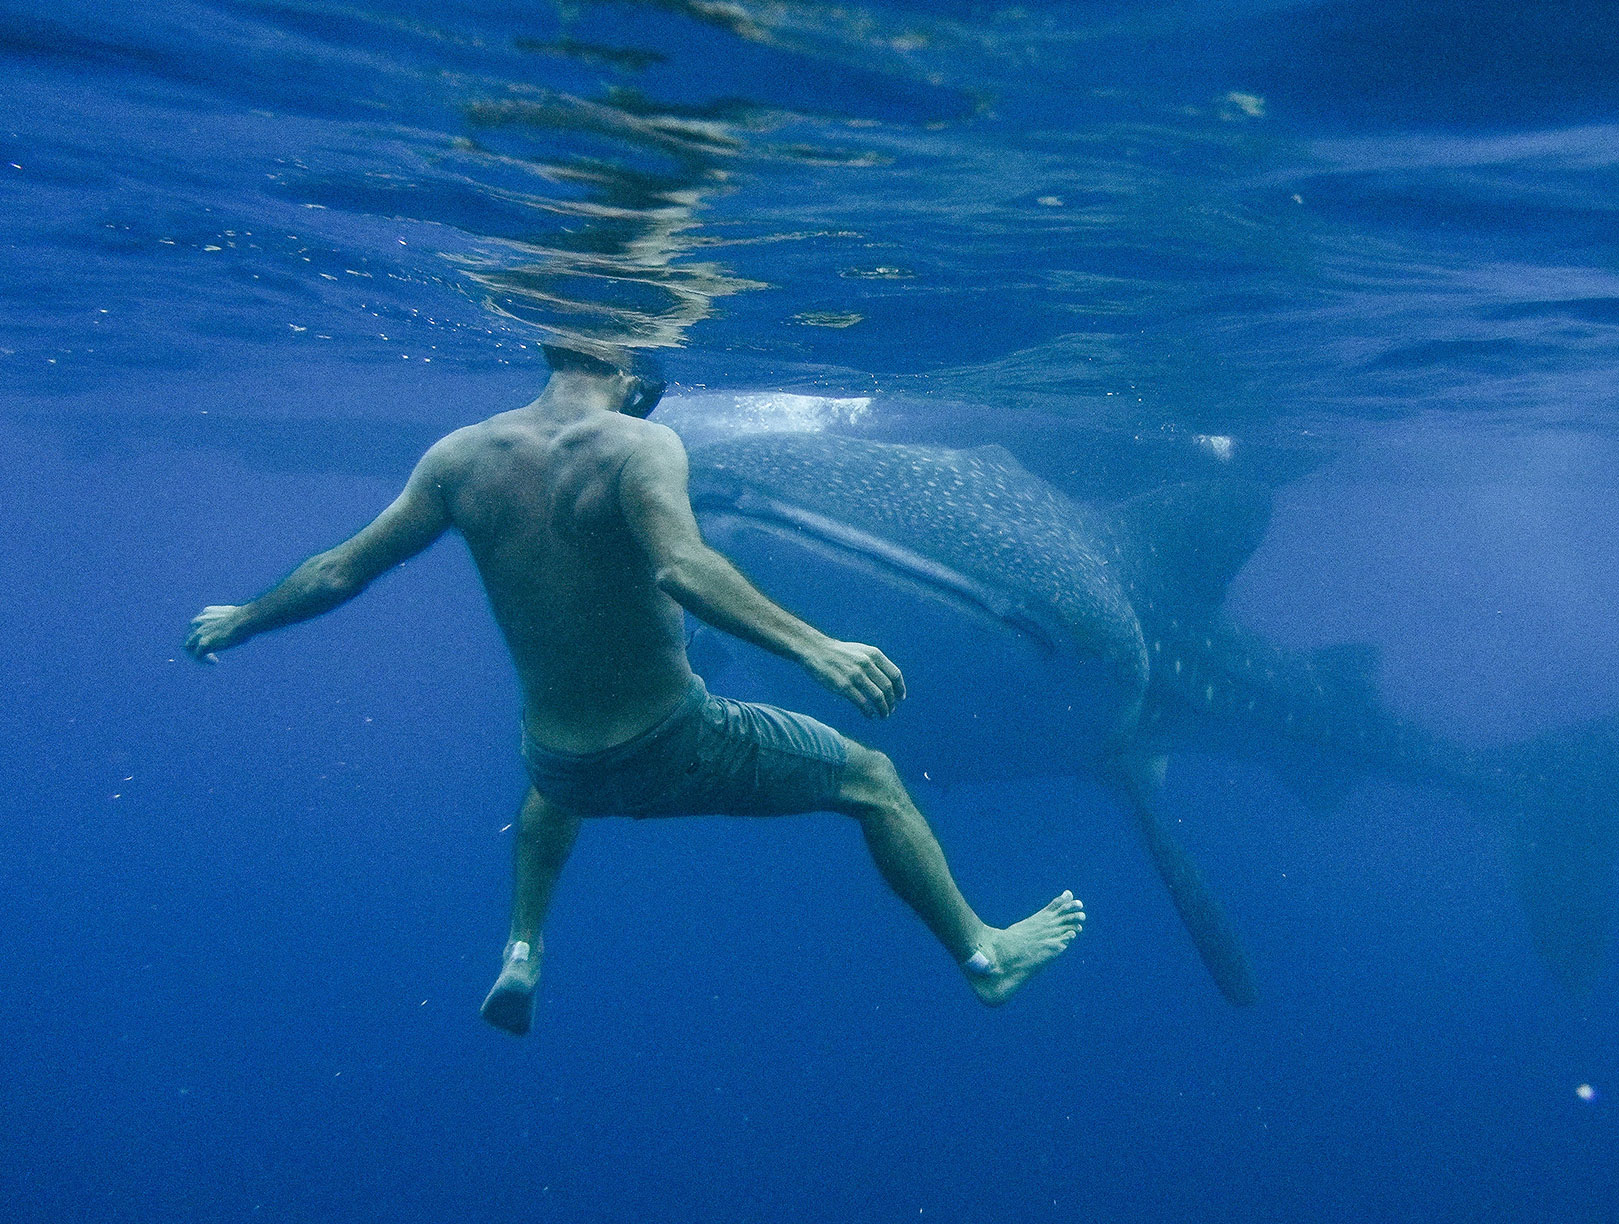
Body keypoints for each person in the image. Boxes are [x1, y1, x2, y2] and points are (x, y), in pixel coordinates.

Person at [185, 345, 1084, 1035]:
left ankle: (522, 947)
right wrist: (820, 650)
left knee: (554, 786)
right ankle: (983, 951)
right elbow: (684, 568)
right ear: (624, 364)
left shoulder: (458, 456)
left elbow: (339, 569)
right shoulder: (639, 443)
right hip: (672, 744)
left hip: (560, 758)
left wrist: (244, 617)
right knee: (873, 780)